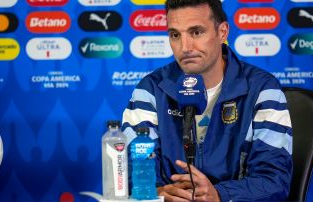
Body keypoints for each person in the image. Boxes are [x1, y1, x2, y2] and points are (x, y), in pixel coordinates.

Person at [122, 0, 292, 201]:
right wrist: (157, 193)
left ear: (222, 32)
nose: (185, 47)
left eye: (196, 32)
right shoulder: (150, 89)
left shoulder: (262, 89)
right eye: (175, 35)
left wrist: (219, 194)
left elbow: (274, 180)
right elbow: (130, 172)